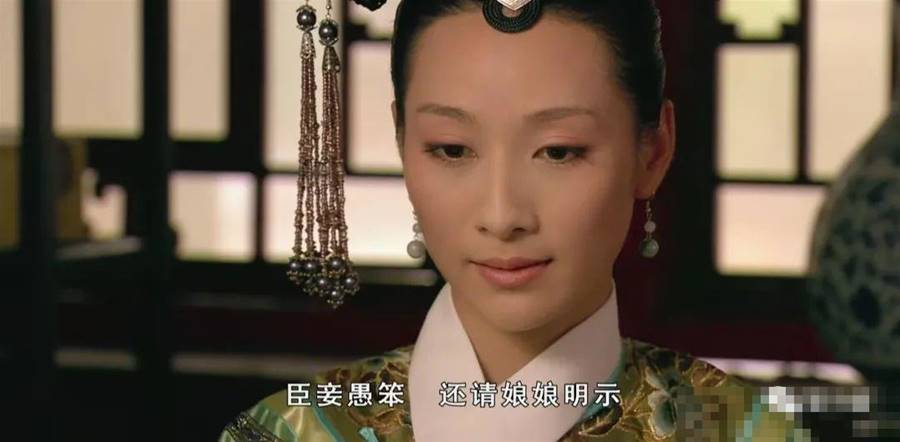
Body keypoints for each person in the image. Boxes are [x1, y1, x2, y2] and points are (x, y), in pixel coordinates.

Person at [221, 0, 803, 440]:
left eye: (559, 151)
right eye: (452, 149)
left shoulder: (746, 431)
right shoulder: (291, 431)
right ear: (402, 144)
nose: (502, 217)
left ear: (652, 152)